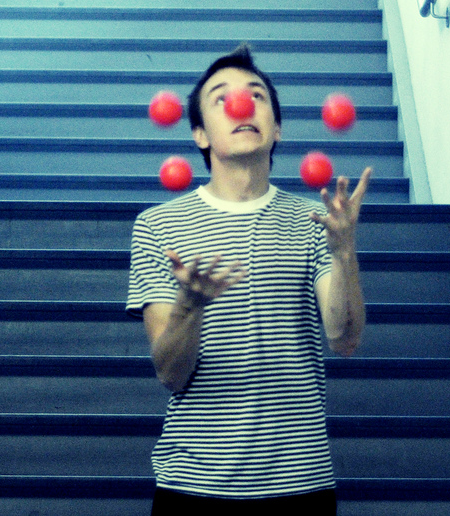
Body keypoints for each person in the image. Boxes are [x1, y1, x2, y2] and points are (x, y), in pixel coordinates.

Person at [127, 44, 372, 516]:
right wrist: (190, 306)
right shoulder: (158, 226)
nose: (241, 105)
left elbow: (344, 338)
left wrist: (344, 251)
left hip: (301, 484)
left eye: (256, 95)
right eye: (221, 97)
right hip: (193, 486)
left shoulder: (313, 221)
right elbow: (170, 373)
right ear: (200, 134)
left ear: (277, 127)